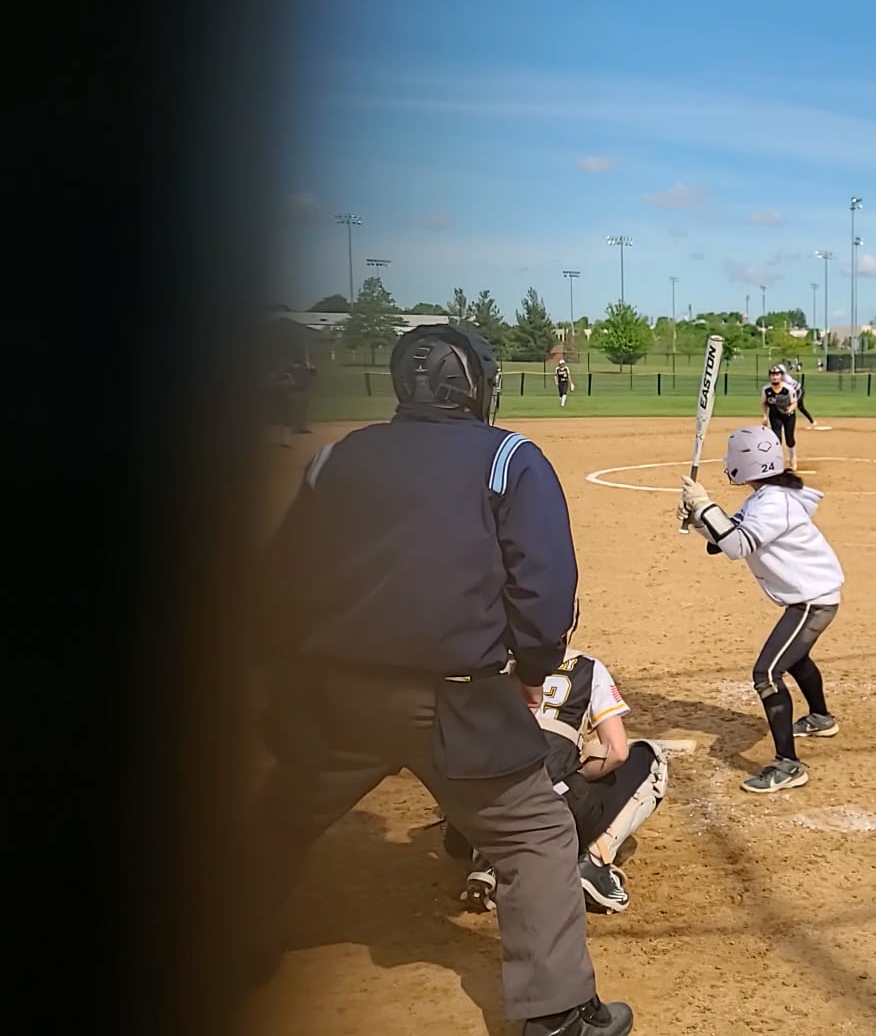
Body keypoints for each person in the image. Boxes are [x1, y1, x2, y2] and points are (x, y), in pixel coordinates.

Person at [246, 324, 631, 1036]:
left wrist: (282, 681)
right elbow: (544, 591)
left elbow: (278, 581)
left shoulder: (335, 457)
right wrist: (534, 672)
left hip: (335, 696)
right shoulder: (507, 458)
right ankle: (556, 1015)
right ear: (476, 387)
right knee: (534, 834)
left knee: (277, 816)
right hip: (456, 699)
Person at [679, 428, 845, 794]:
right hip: (812, 596)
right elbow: (724, 540)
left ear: (744, 463)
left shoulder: (773, 504)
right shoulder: (766, 497)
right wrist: (699, 521)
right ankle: (820, 718)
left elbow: (737, 545)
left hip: (812, 601)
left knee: (767, 673)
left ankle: (789, 765)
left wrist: (705, 505)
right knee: (795, 657)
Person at [447, 648, 669, 918]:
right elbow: (617, 753)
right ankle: (594, 863)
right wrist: (574, 776)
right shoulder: (588, 667)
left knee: (484, 776)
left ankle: (486, 859)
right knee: (649, 758)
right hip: (555, 811)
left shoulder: (488, 659)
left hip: (480, 817)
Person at [762, 364, 802, 470]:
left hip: (789, 416)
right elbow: (764, 403)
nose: (775, 377)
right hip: (774, 415)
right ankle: (777, 461)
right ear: (769, 376)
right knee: (777, 439)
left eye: (777, 374)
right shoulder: (766, 390)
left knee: (789, 438)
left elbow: (794, 402)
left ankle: (793, 459)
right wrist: (764, 416)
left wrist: (790, 409)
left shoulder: (788, 389)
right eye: (772, 375)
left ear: (781, 376)